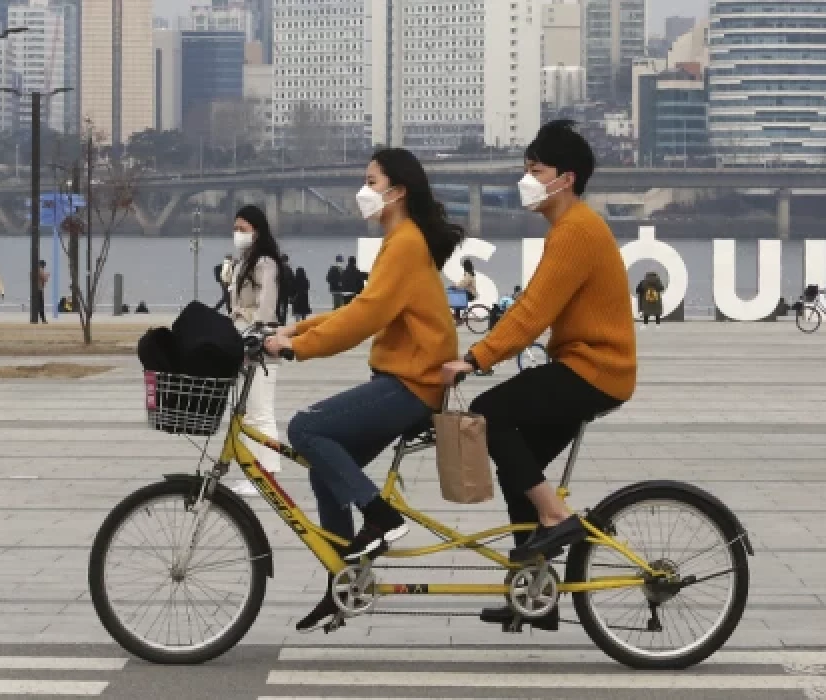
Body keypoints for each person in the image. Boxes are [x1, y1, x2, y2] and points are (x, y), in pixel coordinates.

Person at [440, 120, 636, 628]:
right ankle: (535, 594)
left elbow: (532, 313)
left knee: (487, 413)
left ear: (565, 179)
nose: (526, 180)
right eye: (525, 170)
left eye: (536, 171)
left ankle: (556, 517)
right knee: (518, 470)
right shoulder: (570, 229)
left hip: (594, 369)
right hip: (587, 367)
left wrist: (475, 359)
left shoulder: (576, 231)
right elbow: (534, 308)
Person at [264, 148, 463, 633]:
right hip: (404, 381)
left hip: (413, 385)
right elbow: (361, 308)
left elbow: (365, 318)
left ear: (398, 192)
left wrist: (297, 348)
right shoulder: (401, 241)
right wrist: (295, 329)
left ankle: (381, 518)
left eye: (371, 182)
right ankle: (344, 582)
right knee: (325, 470)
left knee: (306, 428)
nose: (363, 191)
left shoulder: (406, 243)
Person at [229, 205, 285, 495]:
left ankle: (268, 473)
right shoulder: (245, 261)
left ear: (257, 230)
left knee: (261, 410)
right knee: (249, 412)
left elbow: (266, 306)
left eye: (243, 229)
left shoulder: (265, 262)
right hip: (245, 340)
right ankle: (254, 473)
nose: (238, 233)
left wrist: (256, 333)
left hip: (259, 343)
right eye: (236, 228)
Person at [277, 254, 296, 325]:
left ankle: (279, 320)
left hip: (278, 290)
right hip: (285, 291)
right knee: (284, 307)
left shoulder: (277, 269)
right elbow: (292, 282)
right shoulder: (288, 269)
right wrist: (292, 294)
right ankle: (283, 321)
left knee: (278, 306)